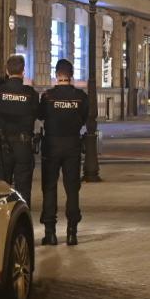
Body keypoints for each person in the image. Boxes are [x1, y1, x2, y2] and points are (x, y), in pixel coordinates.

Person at [39, 59, 89, 246]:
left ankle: (50, 233)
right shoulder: (81, 97)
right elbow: (85, 117)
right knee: (72, 188)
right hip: (72, 144)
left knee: (50, 187)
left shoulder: (48, 96)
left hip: (51, 145)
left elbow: (41, 115)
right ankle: (71, 233)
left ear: (56, 74)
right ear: (71, 74)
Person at [0, 56, 39, 206]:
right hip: (23, 144)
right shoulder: (30, 94)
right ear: (23, 71)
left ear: (7, 71)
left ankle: (3, 218)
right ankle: (21, 216)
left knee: (2, 186)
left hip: (2, 144)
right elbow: (37, 113)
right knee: (23, 187)